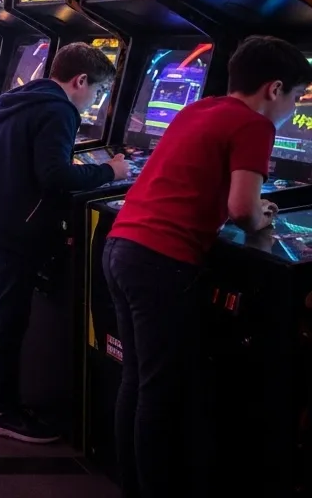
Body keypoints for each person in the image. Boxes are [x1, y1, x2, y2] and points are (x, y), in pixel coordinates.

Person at [103, 36, 312, 497]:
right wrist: (265, 214)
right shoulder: (254, 126)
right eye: (298, 97)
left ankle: (133, 484)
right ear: (274, 89)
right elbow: (243, 209)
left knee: (137, 380)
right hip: (161, 262)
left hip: (122, 247)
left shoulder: (200, 109)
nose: (295, 110)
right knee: (160, 390)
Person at [0, 43, 125, 443]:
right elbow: (54, 175)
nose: (94, 102)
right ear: (80, 81)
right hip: (10, 227)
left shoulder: (20, 96)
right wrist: (109, 170)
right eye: (97, 92)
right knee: (7, 318)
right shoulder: (59, 110)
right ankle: (0, 411)